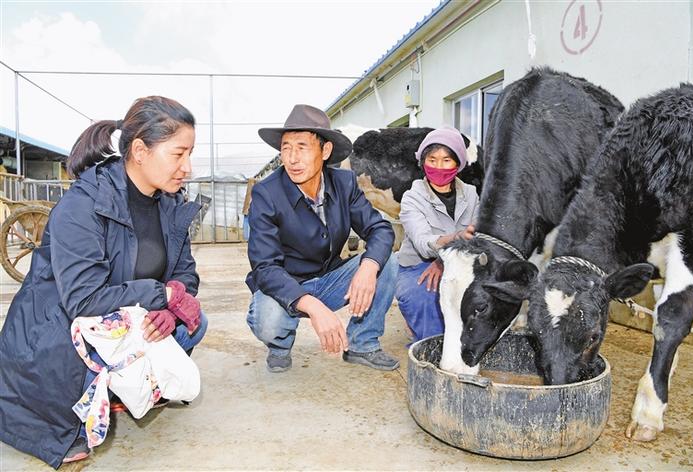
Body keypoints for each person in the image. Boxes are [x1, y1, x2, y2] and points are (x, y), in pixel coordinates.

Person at [0, 96, 208, 468]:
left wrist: (172, 308)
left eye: (190, 154)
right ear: (140, 151)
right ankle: (65, 403)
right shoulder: (83, 205)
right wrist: (162, 294)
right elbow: (83, 300)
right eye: (178, 154)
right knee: (65, 417)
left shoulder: (171, 205)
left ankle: (119, 390)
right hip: (59, 328)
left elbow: (185, 273)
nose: (187, 167)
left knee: (193, 323)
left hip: (121, 320)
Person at [246, 104, 399, 373]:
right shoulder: (266, 193)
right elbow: (265, 267)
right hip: (287, 283)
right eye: (286, 148)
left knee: (387, 262)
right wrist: (313, 307)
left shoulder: (344, 183)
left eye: (302, 147)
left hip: (330, 278)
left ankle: (362, 343)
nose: (292, 158)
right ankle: (280, 345)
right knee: (267, 319)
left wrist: (368, 266)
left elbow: (380, 229)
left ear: (325, 151)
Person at [395, 127, 480, 342]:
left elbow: (480, 234)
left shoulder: (471, 194)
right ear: (423, 162)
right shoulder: (412, 197)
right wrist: (456, 240)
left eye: (446, 160)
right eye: (432, 160)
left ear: (458, 163)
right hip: (417, 266)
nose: (438, 167)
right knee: (427, 296)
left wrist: (444, 262)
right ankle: (430, 346)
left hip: (460, 262)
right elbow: (423, 242)